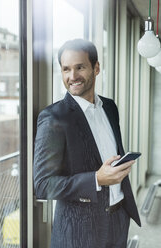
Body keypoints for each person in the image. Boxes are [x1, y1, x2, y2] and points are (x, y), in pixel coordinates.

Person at [33, 39, 141, 248]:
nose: (72, 76)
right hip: (79, 232)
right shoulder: (54, 117)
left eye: (80, 67)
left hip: (118, 219)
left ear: (96, 67)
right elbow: (43, 185)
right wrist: (96, 179)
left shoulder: (109, 107)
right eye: (66, 69)